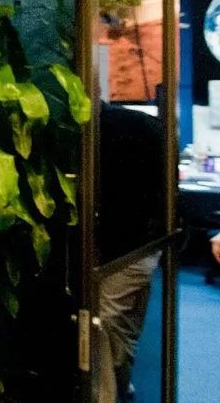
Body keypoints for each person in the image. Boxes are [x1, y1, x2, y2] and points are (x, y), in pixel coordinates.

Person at [96, 103, 166, 403]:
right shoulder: (140, 125)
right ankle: (121, 386)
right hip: (148, 245)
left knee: (106, 324)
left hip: (126, 247)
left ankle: (107, 396)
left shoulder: (107, 132)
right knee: (121, 327)